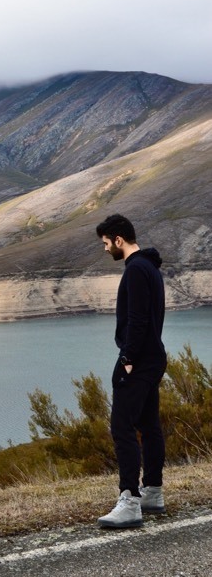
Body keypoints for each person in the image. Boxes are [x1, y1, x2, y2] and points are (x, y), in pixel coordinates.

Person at [95, 213, 167, 529]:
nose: (105, 249)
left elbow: (137, 321)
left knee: (122, 426)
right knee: (149, 424)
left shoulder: (136, 270)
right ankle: (153, 491)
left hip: (138, 362)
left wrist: (126, 361)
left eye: (106, 243)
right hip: (153, 358)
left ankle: (130, 500)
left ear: (119, 240)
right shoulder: (149, 267)